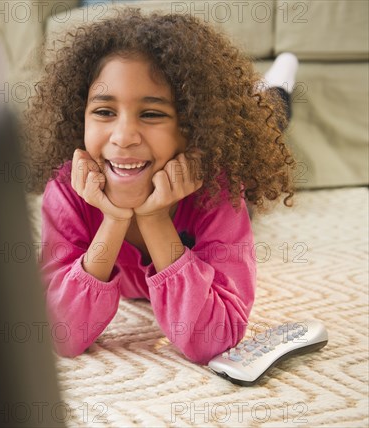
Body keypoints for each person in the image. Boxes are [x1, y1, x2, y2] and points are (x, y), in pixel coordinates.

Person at [24, 9, 298, 364]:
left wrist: (153, 217)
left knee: (266, 117)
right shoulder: (67, 190)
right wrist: (113, 219)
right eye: (105, 112)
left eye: (151, 114)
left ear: (190, 127)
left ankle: (277, 88)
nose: (123, 137)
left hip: (208, 187)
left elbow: (214, 339)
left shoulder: (218, 189)